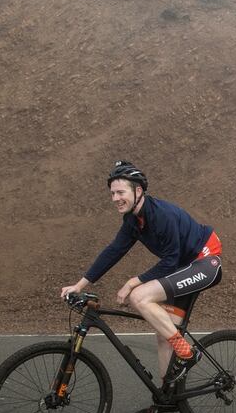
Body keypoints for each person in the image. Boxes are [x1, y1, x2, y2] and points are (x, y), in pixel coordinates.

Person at [60, 161, 223, 397]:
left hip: (205, 261)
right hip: (183, 267)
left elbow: (170, 261)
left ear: (138, 191)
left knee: (139, 296)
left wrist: (131, 282)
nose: (115, 198)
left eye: (120, 192)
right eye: (112, 193)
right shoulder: (133, 221)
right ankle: (168, 394)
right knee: (164, 333)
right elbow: (113, 251)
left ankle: (187, 353)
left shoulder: (161, 215)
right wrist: (79, 285)